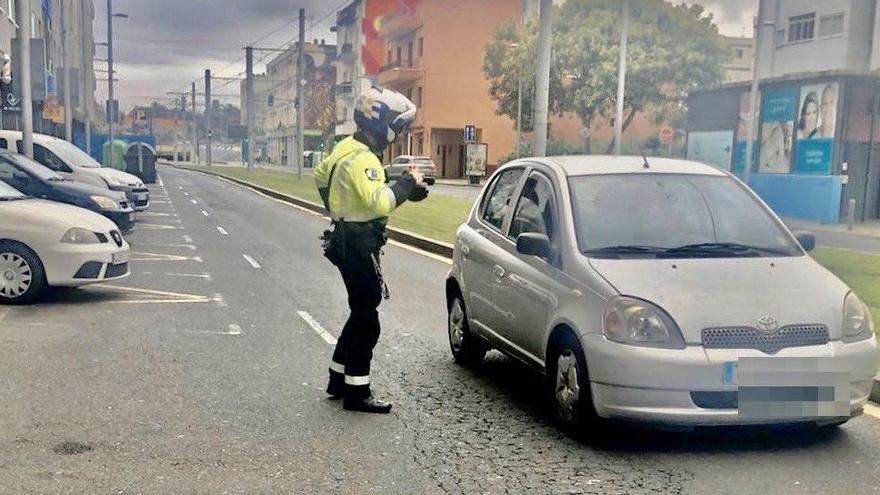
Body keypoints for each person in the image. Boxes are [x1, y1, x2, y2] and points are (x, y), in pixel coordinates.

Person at [314, 87, 428, 414]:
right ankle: (357, 392)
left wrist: (338, 206)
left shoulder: (345, 147)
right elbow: (379, 203)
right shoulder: (365, 159)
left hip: (343, 236)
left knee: (360, 309)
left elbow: (321, 175)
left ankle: (338, 379)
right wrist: (405, 186)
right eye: (398, 127)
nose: (399, 135)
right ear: (383, 126)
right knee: (368, 318)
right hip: (359, 242)